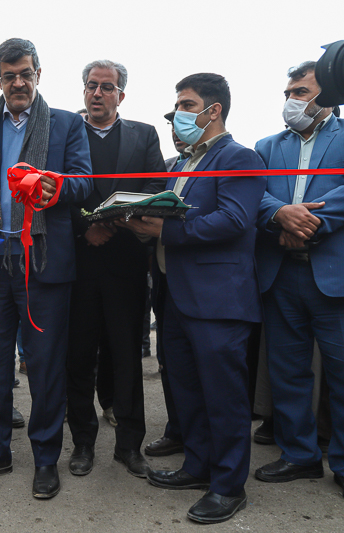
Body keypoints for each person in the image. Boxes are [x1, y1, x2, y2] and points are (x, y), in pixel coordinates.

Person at [0, 38, 92, 499]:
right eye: (9, 76)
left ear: (38, 75)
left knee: (45, 366)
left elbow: (83, 182)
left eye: (25, 74)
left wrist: (53, 187)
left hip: (43, 264)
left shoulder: (67, 123)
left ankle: (46, 458)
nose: (18, 83)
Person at [121, 73, 266, 524]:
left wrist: (166, 230)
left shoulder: (239, 158)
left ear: (213, 110)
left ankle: (228, 486)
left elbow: (235, 220)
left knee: (223, 396)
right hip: (175, 294)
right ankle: (198, 466)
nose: (178, 114)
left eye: (186, 105)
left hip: (218, 299)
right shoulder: (182, 164)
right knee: (187, 388)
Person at [253, 61, 344, 510]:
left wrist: (308, 223)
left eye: (301, 92)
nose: (291, 100)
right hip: (282, 273)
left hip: (343, 275)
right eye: (288, 93)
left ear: (328, 95)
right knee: (288, 373)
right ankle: (299, 455)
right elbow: (254, 193)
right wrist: (279, 214)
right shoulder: (267, 146)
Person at [66, 59, 166, 478]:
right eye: (92, 85)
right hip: (77, 265)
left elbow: (156, 185)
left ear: (121, 94)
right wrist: (84, 229)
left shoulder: (144, 134)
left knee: (127, 357)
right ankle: (82, 443)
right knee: (78, 358)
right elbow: (55, 190)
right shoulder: (66, 133)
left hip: (126, 262)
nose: (98, 93)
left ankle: (129, 445)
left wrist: (115, 220)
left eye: (107, 87)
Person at [144, 111, 188, 459]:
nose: (176, 130)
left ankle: (202, 442)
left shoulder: (230, 161)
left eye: (185, 116)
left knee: (201, 368)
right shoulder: (168, 169)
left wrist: (163, 229)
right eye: (172, 124)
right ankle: (177, 430)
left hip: (201, 283)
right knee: (170, 362)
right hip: (164, 280)